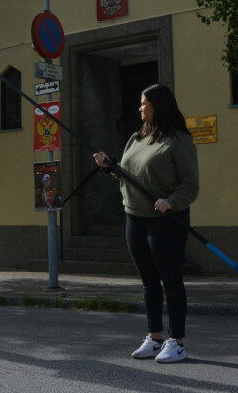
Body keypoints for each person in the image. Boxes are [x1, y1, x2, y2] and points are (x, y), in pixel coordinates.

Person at [93, 84, 199, 364]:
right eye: (140, 104)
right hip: (135, 218)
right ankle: (154, 338)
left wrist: (172, 201)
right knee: (149, 282)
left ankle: (177, 342)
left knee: (171, 279)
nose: (139, 108)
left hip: (165, 221)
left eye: (144, 104)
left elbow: (190, 185)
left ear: (158, 106)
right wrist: (110, 166)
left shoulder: (179, 141)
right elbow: (129, 175)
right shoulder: (136, 138)